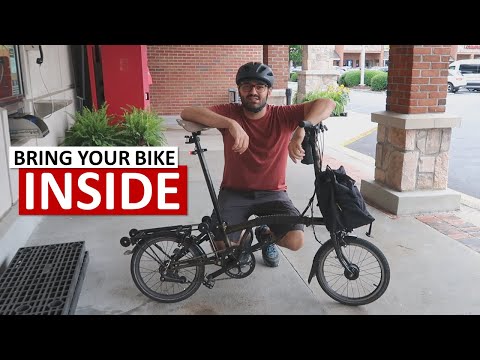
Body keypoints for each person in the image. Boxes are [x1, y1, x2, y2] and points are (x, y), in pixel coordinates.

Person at [180, 62, 335, 267]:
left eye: (260, 87)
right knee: (222, 246)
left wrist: (301, 129)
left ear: (269, 91)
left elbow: (327, 103)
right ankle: (245, 240)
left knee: (295, 240)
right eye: (247, 86)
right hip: (234, 192)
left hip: (273, 193)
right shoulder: (230, 113)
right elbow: (188, 112)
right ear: (239, 91)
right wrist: (230, 124)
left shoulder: (283, 115)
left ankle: (265, 236)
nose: (253, 92)